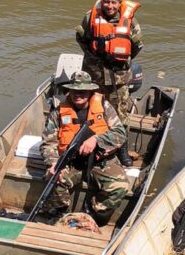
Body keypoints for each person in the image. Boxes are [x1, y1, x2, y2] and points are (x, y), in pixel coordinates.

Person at [40, 71, 130, 226]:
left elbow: (120, 134)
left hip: (100, 161)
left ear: (90, 92)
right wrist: (53, 163)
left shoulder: (104, 106)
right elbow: (48, 142)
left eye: (82, 91)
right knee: (53, 179)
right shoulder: (58, 112)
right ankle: (59, 215)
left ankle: (92, 213)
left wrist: (96, 139)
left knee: (121, 186)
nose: (78, 95)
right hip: (71, 162)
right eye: (74, 91)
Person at [75, 0, 143, 166]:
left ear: (120, 3)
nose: (110, 6)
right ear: (102, 1)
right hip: (94, 76)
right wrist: (93, 58)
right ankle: (88, 143)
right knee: (91, 111)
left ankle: (121, 149)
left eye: (114, 2)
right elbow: (81, 39)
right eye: (107, 1)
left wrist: (119, 60)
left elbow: (136, 46)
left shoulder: (131, 22)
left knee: (120, 114)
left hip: (118, 77)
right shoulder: (90, 17)